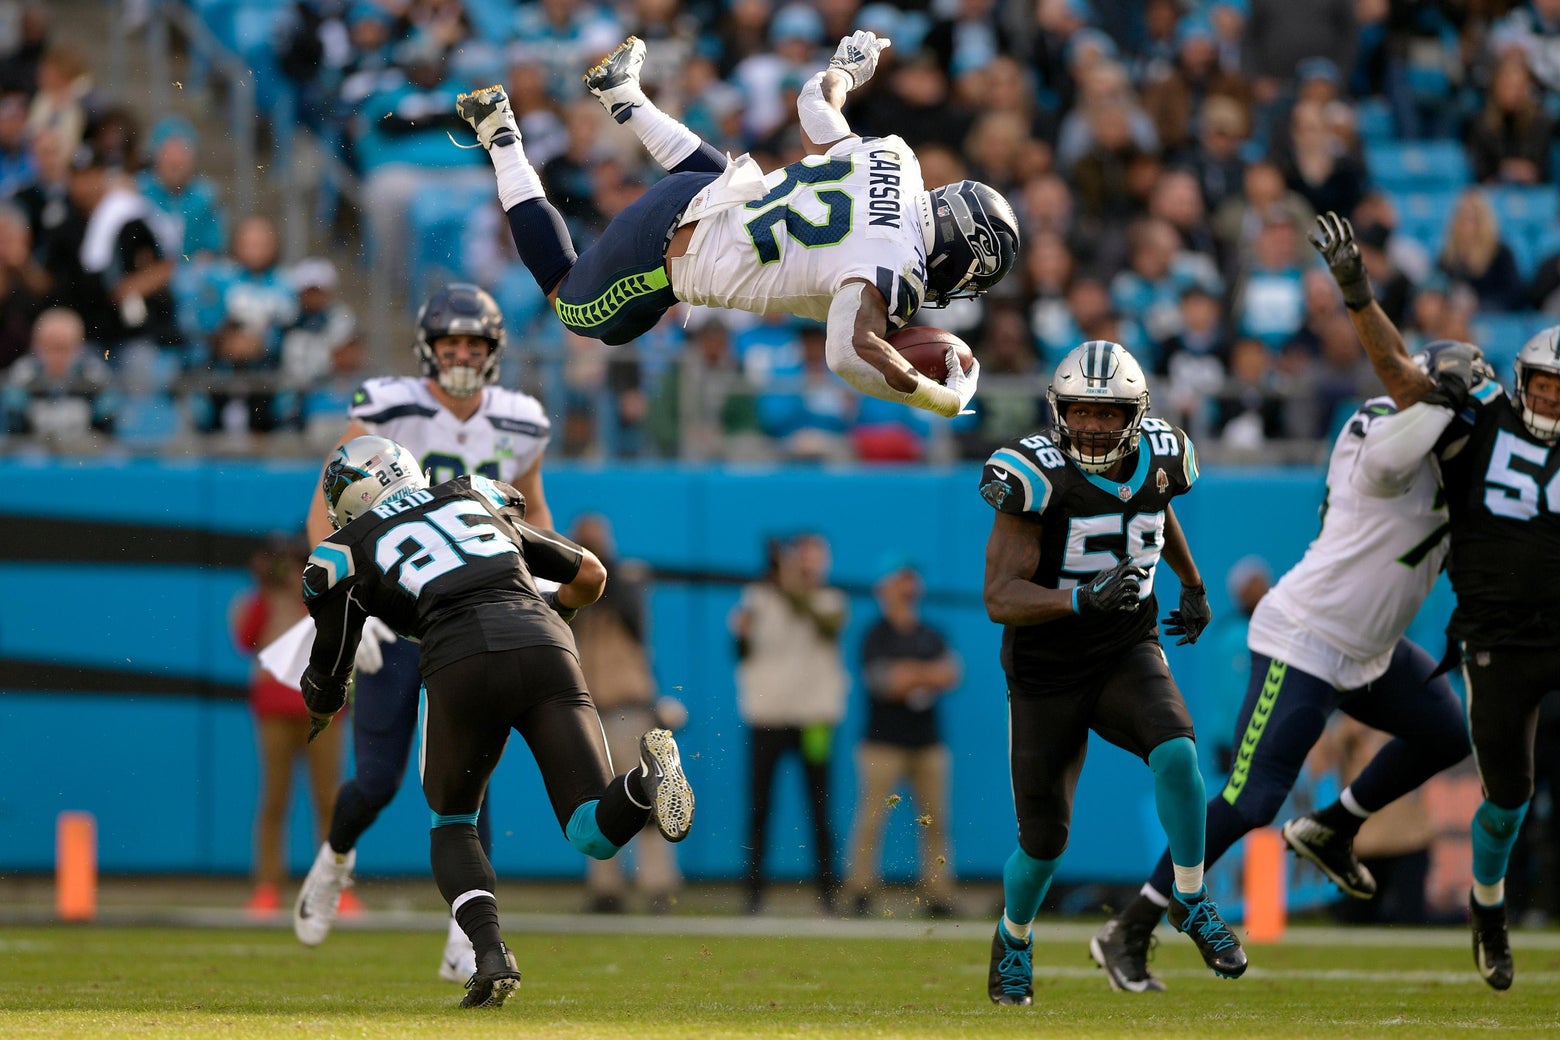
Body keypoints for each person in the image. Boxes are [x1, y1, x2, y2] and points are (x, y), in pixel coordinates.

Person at [1089, 338, 1479, 993]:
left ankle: (1333, 828)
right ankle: (1130, 927)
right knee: (1253, 799)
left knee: (1445, 730)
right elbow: (1389, 458)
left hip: (1370, 650)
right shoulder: (1377, 425)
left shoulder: (1460, 456)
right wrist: (1446, 401)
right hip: (1305, 637)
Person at [300, 435, 693, 1009]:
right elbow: (591, 576)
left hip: (458, 660)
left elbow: (329, 673)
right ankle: (646, 780)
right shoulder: (474, 494)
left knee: (453, 820)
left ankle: (490, 954)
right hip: (546, 642)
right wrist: (552, 617)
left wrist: (319, 705)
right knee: (591, 830)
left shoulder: (341, 552)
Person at [453, 31, 1020, 419]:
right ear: (956, 253)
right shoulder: (895, 271)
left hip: (706, 190)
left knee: (628, 325)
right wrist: (940, 401)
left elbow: (814, 101)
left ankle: (624, 95)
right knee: (571, 305)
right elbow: (849, 354)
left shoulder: (896, 159)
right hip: (663, 251)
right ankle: (500, 135)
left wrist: (845, 70)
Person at [1310, 210, 1560, 991]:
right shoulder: (1478, 417)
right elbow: (1399, 375)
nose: (1552, 399)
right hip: (1499, 638)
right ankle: (1489, 911)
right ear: (1521, 383)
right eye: (1545, 384)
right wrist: (1358, 292)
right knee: (1508, 799)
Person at [292, 283, 552, 984]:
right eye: (451, 344)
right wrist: (344, 593)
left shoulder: (520, 421)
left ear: (493, 351)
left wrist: (542, 586)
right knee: (376, 779)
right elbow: (329, 495)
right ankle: (334, 858)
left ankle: (467, 933)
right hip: (396, 609)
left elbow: (535, 513)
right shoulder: (390, 407)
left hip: (472, 616)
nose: (462, 355)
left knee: (474, 780)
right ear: (427, 350)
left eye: (474, 344)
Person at [978, 339, 1245, 1006]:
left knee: (1178, 753)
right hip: (1045, 668)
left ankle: (1188, 897)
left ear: (1135, 413)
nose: (1094, 425)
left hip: (1126, 646)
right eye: (1082, 412)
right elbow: (999, 597)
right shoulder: (1034, 474)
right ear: (1059, 410)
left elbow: (1157, 507)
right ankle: (1013, 937)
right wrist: (1077, 598)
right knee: (1044, 843)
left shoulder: (1161, 455)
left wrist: (1193, 584)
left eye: (1108, 412)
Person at [570, 513, 685, 914]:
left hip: (628, 709)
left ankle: (657, 886)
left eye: (597, 540)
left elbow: (621, 601)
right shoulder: (570, 594)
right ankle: (606, 889)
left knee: (649, 798)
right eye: (584, 541)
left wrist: (603, 564)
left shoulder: (623, 583)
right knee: (597, 804)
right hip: (589, 712)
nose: (592, 548)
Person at [731, 532, 849, 915]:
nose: (809, 565)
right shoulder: (759, 597)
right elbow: (741, 650)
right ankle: (753, 893)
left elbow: (825, 625)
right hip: (767, 718)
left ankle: (828, 893)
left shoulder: (831, 601)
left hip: (814, 720)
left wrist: (791, 584)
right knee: (759, 808)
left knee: (819, 807)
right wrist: (741, 631)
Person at [841, 558, 961, 919]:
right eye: (899, 582)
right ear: (884, 589)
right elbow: (885, 683)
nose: (907, 590)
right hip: (883, 743)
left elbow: (952, 673)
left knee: (937, 821)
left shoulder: (932, 633)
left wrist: (910, 672)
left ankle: (938, 892)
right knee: (872, 820)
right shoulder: (875, 635)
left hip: (928, 742)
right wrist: (925, 674)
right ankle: (860, 890)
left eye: (911, 582)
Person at [230, 533, 342, 917]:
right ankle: (267, 885)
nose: (293, 574)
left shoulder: (326, 597)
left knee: (328, 801)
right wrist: (265, 591)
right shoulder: (261, 601)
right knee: (275, 800)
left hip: (323, 712)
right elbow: (245, 639)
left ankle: (334, 889)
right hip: (274, 711)